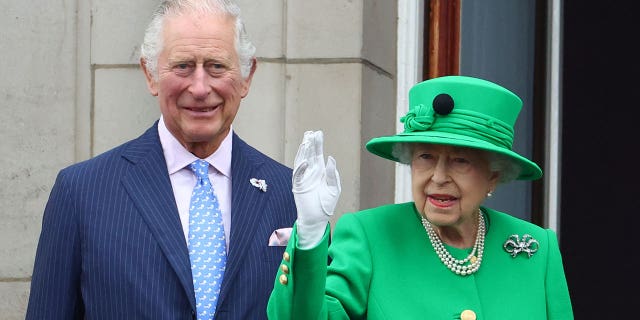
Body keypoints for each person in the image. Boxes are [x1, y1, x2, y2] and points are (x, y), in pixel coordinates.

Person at [26, 1, 297, 319]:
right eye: (183, 66)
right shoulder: (81, 192)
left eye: (217, 66)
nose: (199, 87)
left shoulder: (290, 194)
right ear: (150, 74)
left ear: (247, 76)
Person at [267, 75, 574, 319]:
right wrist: (309, 234)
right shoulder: (371, 236)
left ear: (494, 174)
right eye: (426, 156)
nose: (438, 177)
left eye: (460, 160)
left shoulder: (536, 248)